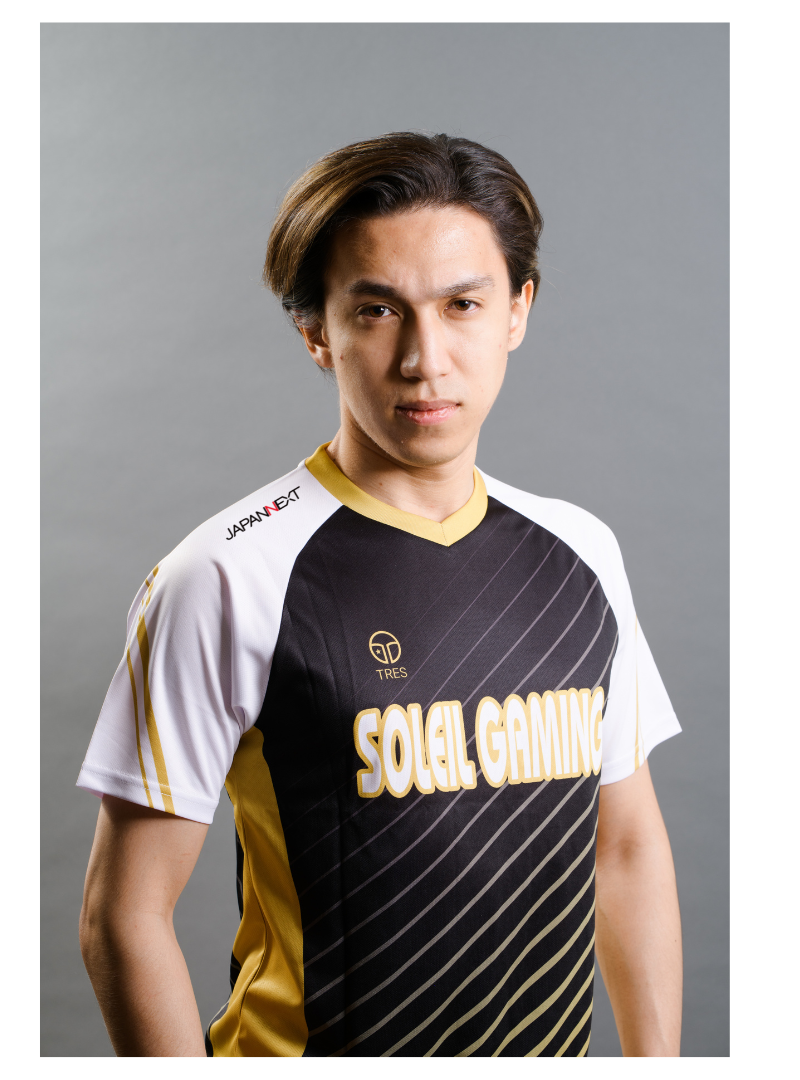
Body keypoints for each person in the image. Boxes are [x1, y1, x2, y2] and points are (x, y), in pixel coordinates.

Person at [78, 132, 683, 1058]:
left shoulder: (582, 554)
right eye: (377, 311)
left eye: (462, 304)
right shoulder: (226, 577)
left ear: (517, 311)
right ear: (316, 332)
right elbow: (122, 918)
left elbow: (626, 849)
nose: (424, 358)